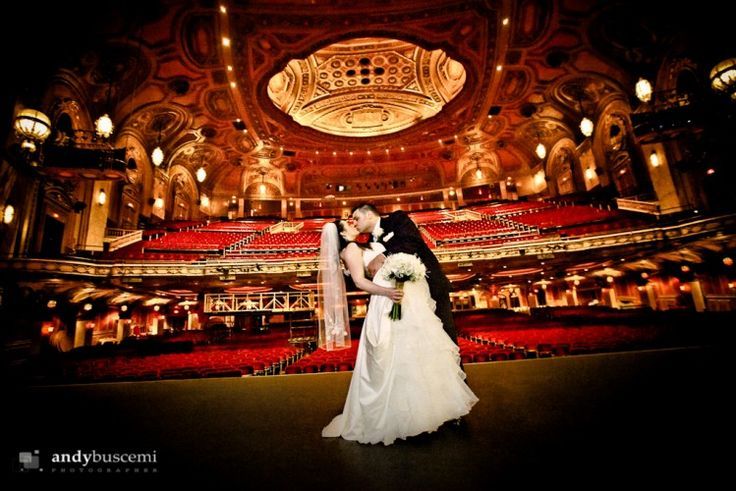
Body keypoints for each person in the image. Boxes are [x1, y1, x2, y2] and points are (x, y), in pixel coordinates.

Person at [320, 219, 477, 445]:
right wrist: (388, 292)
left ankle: (412, 410)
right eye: (348, 223)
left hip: (391, 300)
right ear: (342, 233)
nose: (353, 222)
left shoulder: (360, 245)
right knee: (391, 355)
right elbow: (360, 282)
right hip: (385, 301)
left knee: (405, 353)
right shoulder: (351, 249)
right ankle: (396, 414)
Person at [351, 203, 458, 345]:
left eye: (356, 218)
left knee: (444, 335)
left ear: (369, 214)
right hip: (401, 297)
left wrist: (383, 256)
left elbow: (411, 241)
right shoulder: (369, 242)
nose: (354, 223)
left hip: (430, 286)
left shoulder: (397, 219)